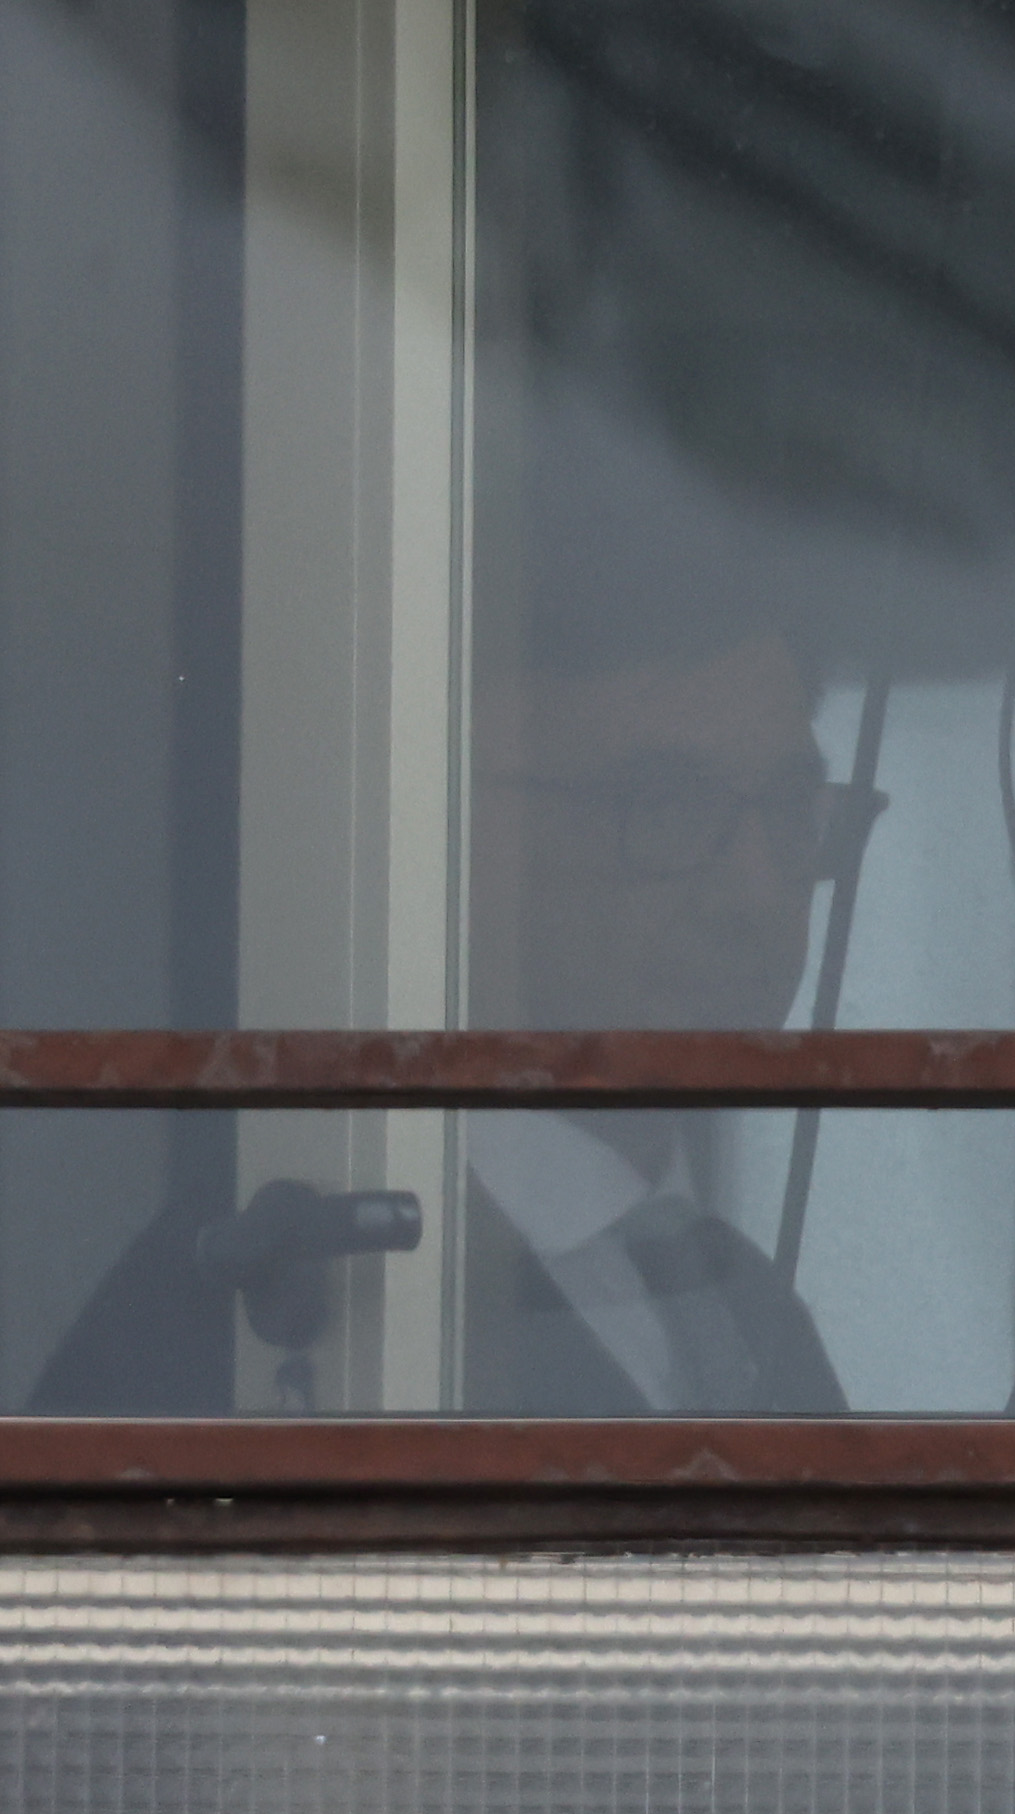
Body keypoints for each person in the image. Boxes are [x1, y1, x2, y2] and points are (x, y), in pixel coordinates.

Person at [35, 567, 868, 1415]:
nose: (759, 895)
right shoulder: (266, 1288)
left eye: (794, 812)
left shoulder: (754, 1316)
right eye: (663, 804)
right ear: (453, 825)